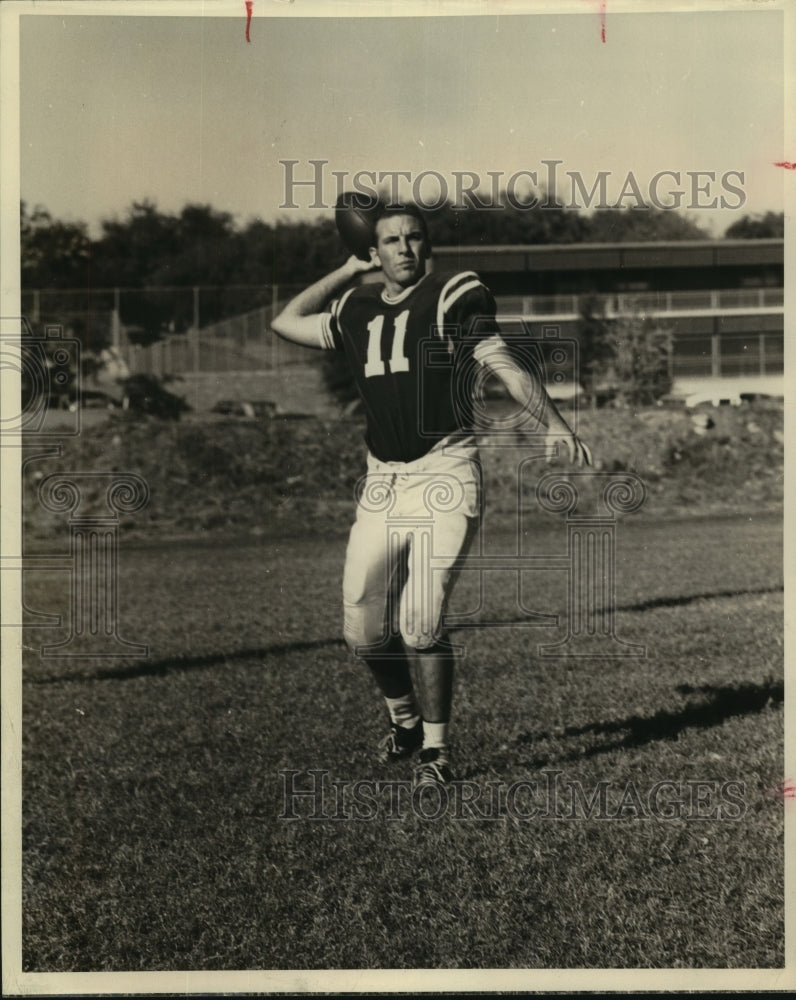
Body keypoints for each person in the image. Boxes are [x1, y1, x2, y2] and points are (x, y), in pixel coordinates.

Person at [271, 202, 591, 787]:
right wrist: (347, 269)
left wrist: (552, 422)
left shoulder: (452, 295)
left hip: (444, 471)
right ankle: (405, 721)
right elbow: (286, 321)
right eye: (390, 240)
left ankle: (437, 753)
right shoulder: (357, 304)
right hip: (383, 482)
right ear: (376, 249)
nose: (404, 249)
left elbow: (503, 364)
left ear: (428, 243)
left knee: (420, 622)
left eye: (414, 237)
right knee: (362, 629)